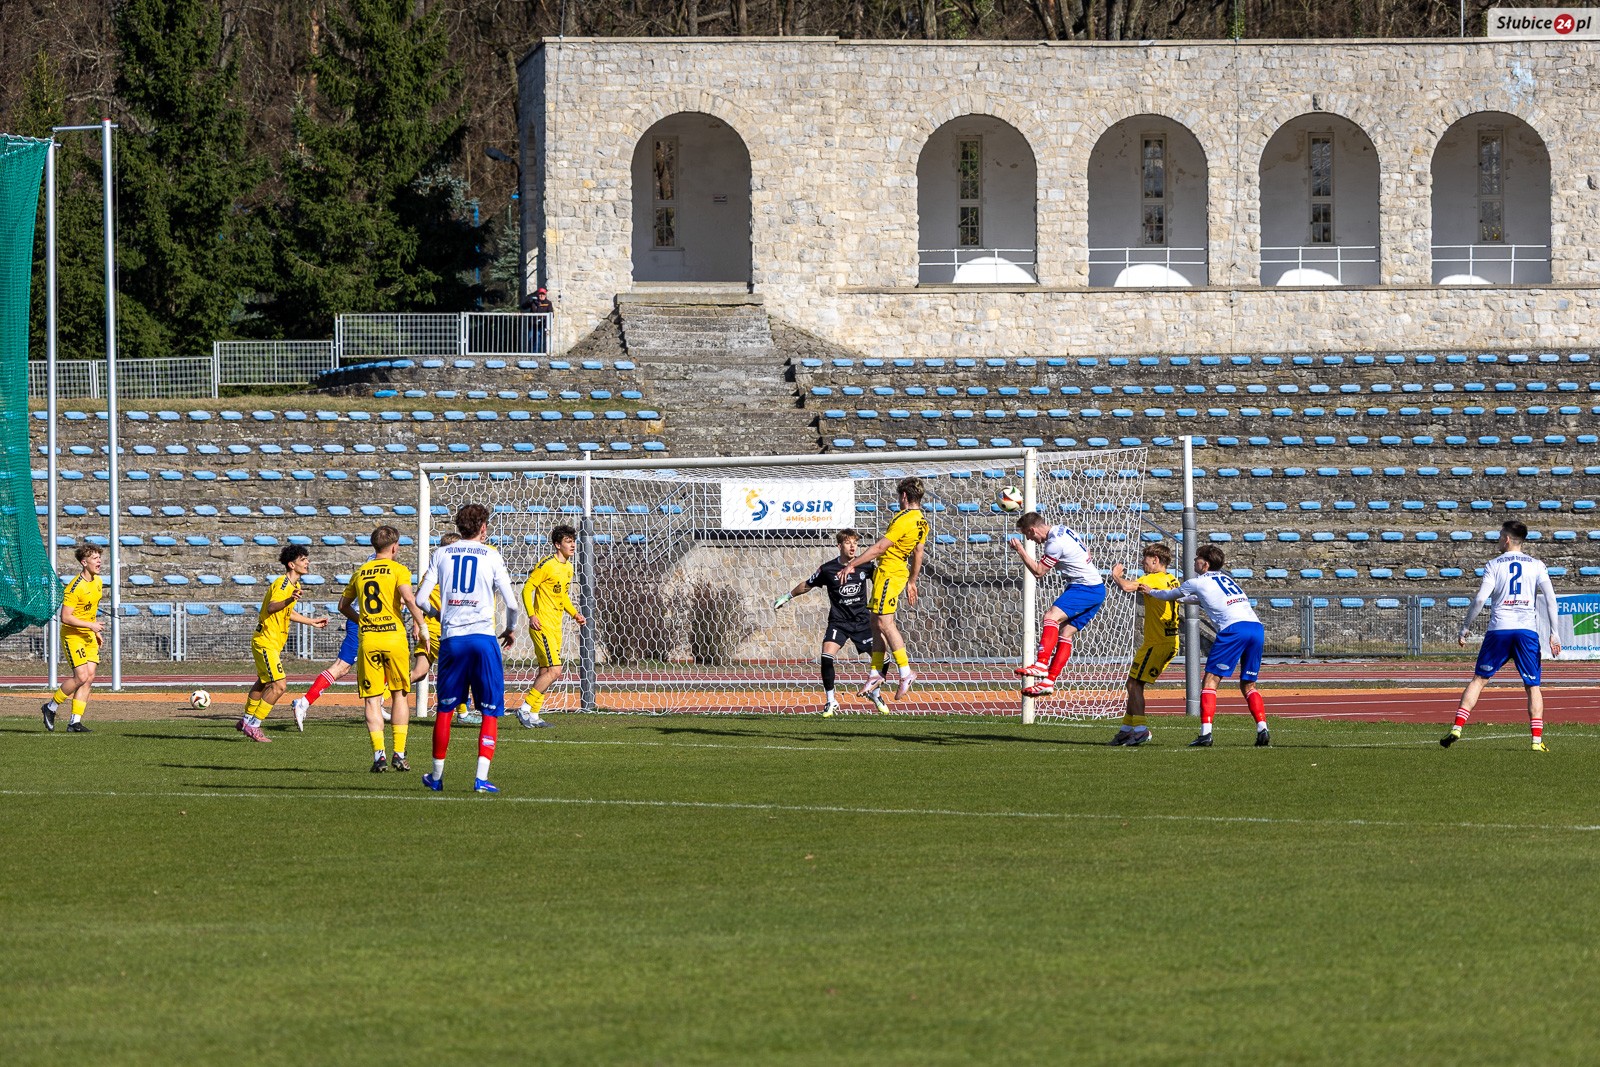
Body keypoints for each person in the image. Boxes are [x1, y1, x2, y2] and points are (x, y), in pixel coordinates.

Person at [1116, 544, 1269, 748]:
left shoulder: (1197, 581)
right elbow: (1198, 599)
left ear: (1204, 564)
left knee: (1210, 682)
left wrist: (1151, 592)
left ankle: (1206, 734)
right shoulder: (1227, 579)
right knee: (1248, 684)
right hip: (1256, 628)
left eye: (1197, 558)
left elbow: (1169, 595)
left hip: (1234, 630)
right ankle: (1262, 728)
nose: (1194, 560)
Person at [414, 504, 520, 793]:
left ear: (459, 527)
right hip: (484, 639)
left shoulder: (442, 553)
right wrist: (510, 629)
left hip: (452, 641)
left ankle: (436, 777)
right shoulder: (492, 555)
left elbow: (421, 598)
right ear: (483, 527)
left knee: (446, 710)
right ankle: (481, 779)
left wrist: (437, 615)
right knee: (489, 710)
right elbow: (512, 603)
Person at [1441, 520, 1561, 752]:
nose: (1497, 539)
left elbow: (1479, 600)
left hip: (1499, 629)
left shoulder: (1493, 564)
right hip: (1526, 630)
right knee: (1533, 685)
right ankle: (1536, 741)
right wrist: (1554, 633)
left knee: (1479, 680)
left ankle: (1457, 727)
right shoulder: (1537, 565)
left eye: (1499, 535)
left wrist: (1465, 627)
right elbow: (1551, 599)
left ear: (1506, 539)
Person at [340, 526, 429, 772]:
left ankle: (379, 756)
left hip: (369, 639)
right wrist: (423, 628)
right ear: (394, 546)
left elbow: (343, 605)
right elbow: (409, 599)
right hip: (394, 638)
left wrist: (362, 621)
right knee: (400, 694)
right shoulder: (399, 570)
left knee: (371, 699)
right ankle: (399, 754)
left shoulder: (361, 572)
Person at [774, 528, 886, 716]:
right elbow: (807, 584)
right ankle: (831, 701)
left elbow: (882, 582)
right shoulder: (828, 569)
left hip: (862, 622)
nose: (853, 546)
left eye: (856, 543)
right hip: (839, 622)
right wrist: (787, 596)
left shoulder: (865, 565)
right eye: (849, 543)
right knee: (826, 657)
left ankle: (875, 693)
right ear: (839, 545)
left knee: (883, 657)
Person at [839, 477, 929, 701]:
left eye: (900, 497)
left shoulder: (904, 519)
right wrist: (912, 581)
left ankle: (905, 672)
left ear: (905, 497)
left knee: (885, 623)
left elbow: (880, 547)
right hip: (891, 574)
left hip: (890, 572)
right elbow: (919, 553)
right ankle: (875, 673)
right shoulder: (922, 521)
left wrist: (852, 563)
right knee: (874, 622)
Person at [1009, 512, 1108, 699]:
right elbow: (1088, 553)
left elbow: (1039, 572)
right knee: (1066, 633)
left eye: (1028, 535)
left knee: (1050, 617)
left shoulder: (1054, 543)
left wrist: (1021, 550)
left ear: (1032, 529)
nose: (1031, 539)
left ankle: (1041, 664)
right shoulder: (1064, 530)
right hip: (1096, 588)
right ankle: (1048, 682)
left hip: (1084, 587)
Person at [239, 545, 328, 742]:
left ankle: (246, 720)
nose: (307, 562)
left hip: (269, 642)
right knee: (279, 686)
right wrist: (289, 599)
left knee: (264, 681)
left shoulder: (292, 587)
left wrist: (311, 621)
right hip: (266, 642)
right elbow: (272, 607)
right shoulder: (283, 584)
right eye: (303, 559)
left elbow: (287, 613)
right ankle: (254, 725)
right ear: (292, 564)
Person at [1106, 542, 1182, 746]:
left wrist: (1116, 575)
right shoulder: (1172, 579)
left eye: (1145, 560)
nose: (1143, 564)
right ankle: (1126, 730)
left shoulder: (1153, 578)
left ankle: (1140, 729)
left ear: (1156, 560)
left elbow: (1126, 586)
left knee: (1133, 683)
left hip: (1157, 642)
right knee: (1134, 683)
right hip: (1169, 640)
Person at [515, 524, 588, 728]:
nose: (572, 545)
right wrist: (531, 615)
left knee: (545, 672)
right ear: (557, 545)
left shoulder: (568, 567)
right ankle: (525, 708)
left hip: (556, 626)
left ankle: (534, 715)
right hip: (542, 625)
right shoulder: (546, 564)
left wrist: (575, 614)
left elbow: (562, 595)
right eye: (567, 541)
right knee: (556, 671)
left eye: (573, 541)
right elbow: (527, 588)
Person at [42, 545, 104, 733]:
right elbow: (66, 617)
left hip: (88, 634)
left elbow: (89, 611)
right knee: (81, 676)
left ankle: (74, 722)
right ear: (84, 563)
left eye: (99, 557)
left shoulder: (98, 581)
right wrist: (91, 626)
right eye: (94, 558)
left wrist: (95, 631)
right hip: (73, 635)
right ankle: (50, 707)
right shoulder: (74, 587)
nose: (99, 561)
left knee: (89, 678)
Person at [410, 533, 464, 723]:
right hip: (437, 629)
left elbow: (417, 599)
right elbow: (417, 600)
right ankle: (462, 713)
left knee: (419, 672)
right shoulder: (442, 571)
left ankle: (380, 696)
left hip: (433, 627)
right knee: (459, 668)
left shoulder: (438, 571)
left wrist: (416, 624)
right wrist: (417, 624)